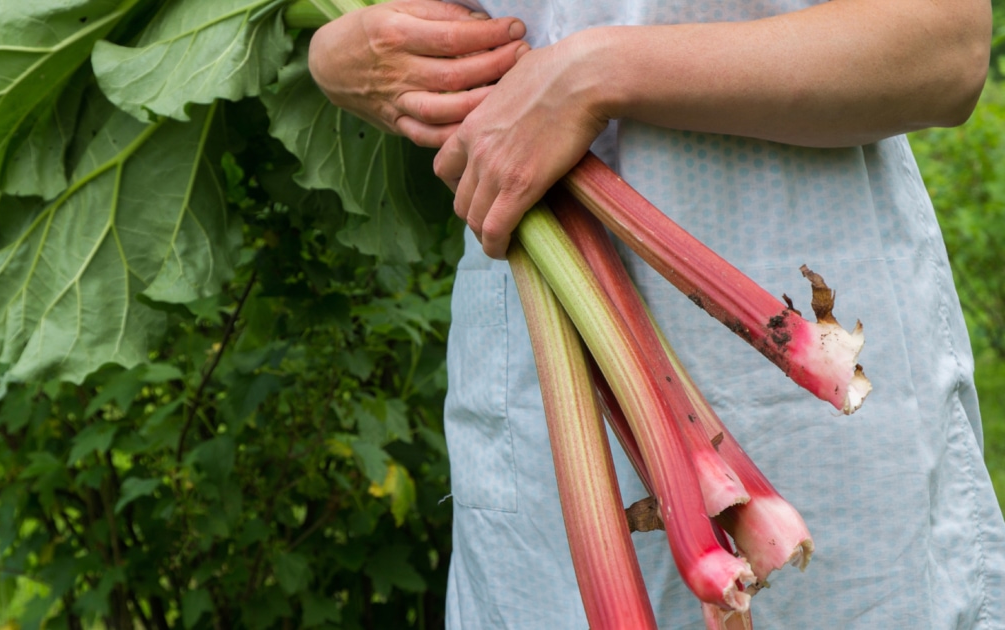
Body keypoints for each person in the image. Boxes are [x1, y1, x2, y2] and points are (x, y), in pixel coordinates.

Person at [309, 1, 1005, 627]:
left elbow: (945, 48)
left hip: (810, 388)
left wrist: (594, 72)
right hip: (533, 398)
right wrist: (337, 51)